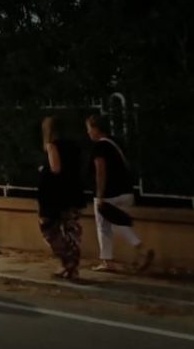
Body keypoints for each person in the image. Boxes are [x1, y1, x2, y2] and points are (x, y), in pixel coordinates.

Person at [87, 113, 153, 272]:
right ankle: (108, 260)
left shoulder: (99, 147)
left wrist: (100, 194)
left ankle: (139, 249)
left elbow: (100, 172)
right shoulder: (117, 143)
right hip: (126, 191)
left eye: (89, 129)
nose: (88, 133)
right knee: (117, 223)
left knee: (106, 226)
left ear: (96, 129)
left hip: (110, 192)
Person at [37, 116, 87, 280]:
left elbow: (55, 168)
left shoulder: (52, 146)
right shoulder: (74, 145)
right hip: (74, 191)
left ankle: (67, 262)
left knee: (49, 229)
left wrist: (42, 170)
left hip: (56, 195)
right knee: (72, 229)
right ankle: (72, 267)